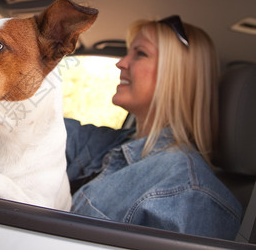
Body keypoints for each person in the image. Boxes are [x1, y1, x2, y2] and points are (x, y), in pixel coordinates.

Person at [65, 15, 242, 240]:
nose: (121, 63)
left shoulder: (188, 193)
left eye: (140, 53)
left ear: (177, 75)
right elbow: (51, 133)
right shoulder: (117, 143)